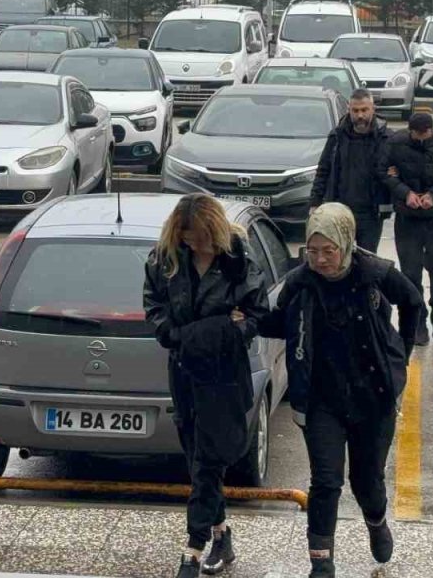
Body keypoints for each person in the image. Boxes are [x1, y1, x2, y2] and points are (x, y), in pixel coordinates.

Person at [260, 203, 423, 578]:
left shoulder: (376, 273)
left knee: (366, 480)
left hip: (373, 396)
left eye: (328, 250)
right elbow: (279, 323)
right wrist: (243, 317)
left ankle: (376, 521)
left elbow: (413, 302)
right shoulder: (300, 282)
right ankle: (321, 560)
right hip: (322, 399)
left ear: (345, 244)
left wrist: (402, 353)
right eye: (312, 251)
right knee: (326, 480)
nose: (320, 259)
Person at [142, 194, 271, 578]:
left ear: (214, 230)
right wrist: (189, 333)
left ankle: (193, 548)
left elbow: (255, 314)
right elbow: (154, 310)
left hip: (224, 374)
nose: (194, 244)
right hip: (184, 370)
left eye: (200, 237)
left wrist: (234, 328)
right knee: (197, 456)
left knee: (208, 463)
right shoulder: (164, 260)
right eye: (187, 237)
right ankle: (221, 533)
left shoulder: (239, 260)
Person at [379, 112, 433, 345]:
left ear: (432, 130)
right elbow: (382, 171)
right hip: (407, 219)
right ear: (410, 131)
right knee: (411, 273)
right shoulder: (396, 143)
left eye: (426, 134)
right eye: (417, 135)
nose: (422, 138)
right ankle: (420, 320)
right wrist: (404, 193)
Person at [310, 88, 392, 252]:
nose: (360, 115)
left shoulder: (387, 138)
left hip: (371, 212)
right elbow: (323, 170)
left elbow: (398, 171)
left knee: (367, 257)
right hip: (339, 210)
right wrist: (314, 203)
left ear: (373, 109)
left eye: (364, 110)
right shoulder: (337, 136)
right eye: (355, 110)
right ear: (349, 110)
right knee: (339, 256)